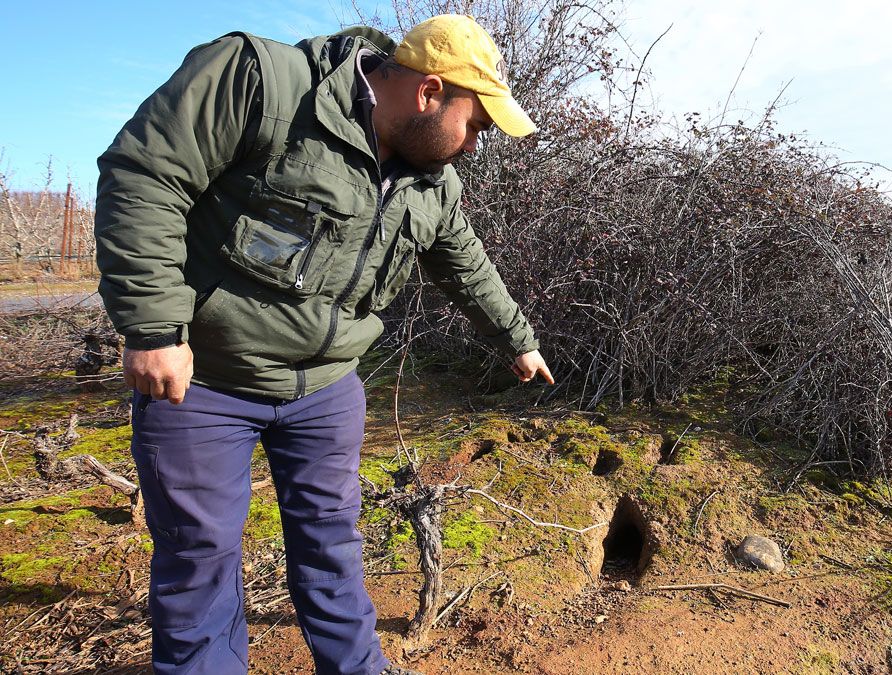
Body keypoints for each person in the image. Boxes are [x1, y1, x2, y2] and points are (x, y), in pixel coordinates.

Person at [94, 15, 552, 675]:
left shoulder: (432, 181)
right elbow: (145, 176)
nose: (475, 146)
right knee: (200, 556)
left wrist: (517, 339)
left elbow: (464, 262)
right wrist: (155, 326)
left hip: (326, 390)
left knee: (333, 544)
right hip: (205, 381)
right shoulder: (263, 84)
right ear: (429, 93)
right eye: (476, 124)